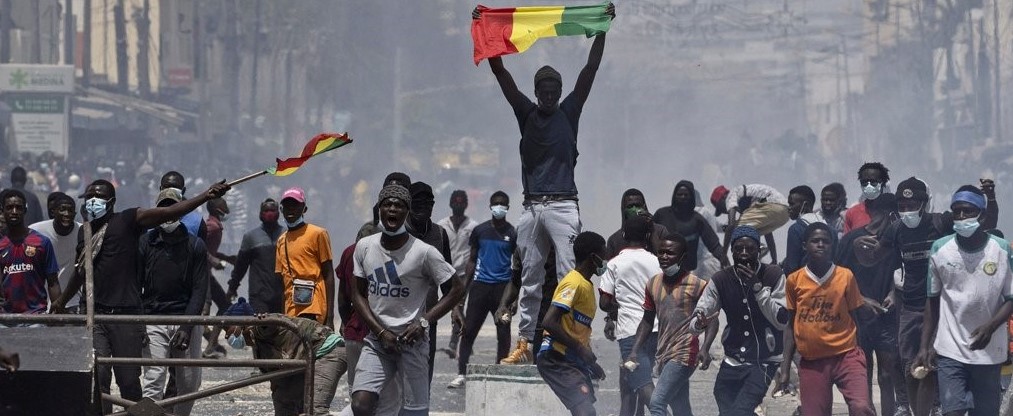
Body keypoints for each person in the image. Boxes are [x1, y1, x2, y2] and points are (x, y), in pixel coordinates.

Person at [479, 3, 615, 365]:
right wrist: (486, 30)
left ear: (560, 90)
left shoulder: (570, 112)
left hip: (563, 205)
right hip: (531, 207)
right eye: (545, 88)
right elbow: (501, 75)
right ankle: (524, 344)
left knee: (570, 275)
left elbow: (590, 69)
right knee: (530, 278)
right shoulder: (526, 113)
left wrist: (601, 29)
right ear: (537, 91)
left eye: (555, 87)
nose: (551, 93)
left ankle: (573, 338)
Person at [51, 178, 229, 415]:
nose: (93, 201)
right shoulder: (85, 232)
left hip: (126, 317)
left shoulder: (128, 220)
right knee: (99, 378)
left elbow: (170, 212)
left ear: (111, 202)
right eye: (89, 197)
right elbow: (80, 271)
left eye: (99, 197)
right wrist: (61, 301)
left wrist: (206, 196)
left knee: (129, 382)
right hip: (97, 316)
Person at [858, 177, 998, 416]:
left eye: (911, 206)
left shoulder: (940, 222)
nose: (906, 211)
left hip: (941, 307)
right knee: (911, 368)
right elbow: (872, 258)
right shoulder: (897, 230)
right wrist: (858, 249)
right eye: (901, 206)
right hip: (910, 308)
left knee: (932, 365)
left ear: (924, 204)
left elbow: (985, 224)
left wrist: (991, 199)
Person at [349, 184, 465, 416]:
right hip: (377, 341)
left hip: (412, 343)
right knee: (361, 404)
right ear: (379, 209)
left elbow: (456, 288)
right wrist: (381, 333)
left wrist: (424, 322)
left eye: (399, 205)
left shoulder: (423, 252)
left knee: (414, 412)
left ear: (407, 212)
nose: (393, 209)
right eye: (387, 204)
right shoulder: (364, 247)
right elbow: (357, 294)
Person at [912, 186, 1012, 416]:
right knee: (952, 412)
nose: (961, 217)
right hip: (950, 350)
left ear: (983, 215)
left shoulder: (1001, 250)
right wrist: (924, 346)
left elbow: (1010, 298)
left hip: (988, 351)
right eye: (956, 212)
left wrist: (990, 327)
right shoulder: (941, 250)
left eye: (967, 211)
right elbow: (932, 301)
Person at [774, 222, 875, 416]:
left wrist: (860, 354)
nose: (820, 245)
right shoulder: (794, 281)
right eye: (815, 241)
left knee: (861, 407)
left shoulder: (845, 276)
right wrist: (785, 367)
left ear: (832, 246)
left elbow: (856, 317)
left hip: (846, 354)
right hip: (813, 360)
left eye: (826, 242)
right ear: (805, 245)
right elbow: (791, 325)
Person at [690, 226, 789, 416]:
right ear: (732, 251)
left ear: (758, 252)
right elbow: (698, 317)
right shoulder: (720, 279)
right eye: (738, 249)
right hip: (733, 359)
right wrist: (699, 323)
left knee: (740, 411)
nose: (744, 254)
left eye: (750, 249)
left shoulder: (774, 274)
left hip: (764, 361)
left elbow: (781, 320)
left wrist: (758, 289)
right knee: (723, 399)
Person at [139, 188, 210, 416]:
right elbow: (135, 284)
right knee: (153, 380)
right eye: (163, 207)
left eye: (173, 206)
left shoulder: (195, 245)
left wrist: (187, 327)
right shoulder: (146, 243)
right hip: (154, 319)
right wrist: (139, 323)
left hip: (185, 318)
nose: (168, 213)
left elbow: (199, 289)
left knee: (189, 384)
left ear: (180, 210)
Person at [837, 193, 908, 416]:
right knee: (862, 374)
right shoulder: (850, 240)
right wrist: (860, 299)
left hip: (885, 315)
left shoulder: (896, 241)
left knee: (887, 375)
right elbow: (837, 276)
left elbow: (901, 273)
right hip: (857, 316)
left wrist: (893, 293)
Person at [224, 298, 348, 416]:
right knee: (283, 400)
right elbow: (277, 382)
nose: (226, 336)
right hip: (310, 360)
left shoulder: (260, 327)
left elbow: (269, 326)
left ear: (241, 325)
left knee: (315, 409)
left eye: (227, 330)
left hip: (328, 352)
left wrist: (263, 322)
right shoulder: (258, 347)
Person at [448, 191, 517, 388]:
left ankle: (500, 371)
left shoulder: (512, 234)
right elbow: (471, 261)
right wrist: (463, 293)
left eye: (503, 204)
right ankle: (462, 373)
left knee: (503, 333)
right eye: (496, 203)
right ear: (490, 206)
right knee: (468, 331)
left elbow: (517, 266)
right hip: (480, 287)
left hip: (502, 290)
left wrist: (514, 297)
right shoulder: (480, 231)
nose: (499, 207)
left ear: (508, 207)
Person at [537, 231, 608, 416]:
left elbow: (579, 331)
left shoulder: (587, 286)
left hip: (571, 359)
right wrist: (579, 348)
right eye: (604, 254)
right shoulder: (573, 283)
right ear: (594, 257)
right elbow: (549, 322)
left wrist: (592, 365)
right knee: (585, 410)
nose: (607, 259)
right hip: (555, 357)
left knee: (585, 409)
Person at [599, 216, 663, 416]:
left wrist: (619, 305)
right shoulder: (657, 261)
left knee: (642, 383)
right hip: (655, 329)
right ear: (648, 235)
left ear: (624, 235)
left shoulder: (615, 263)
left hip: (630, 333)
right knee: (629, 381)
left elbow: (604, 302)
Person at [406, 181, 456, 383]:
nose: (423, 209)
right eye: (418, 204)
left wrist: (456, 308)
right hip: (398, 316)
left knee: (424, 373)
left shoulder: (439, 234)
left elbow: (448, 281)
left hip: (427, 318)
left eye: (428, 205)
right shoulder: (397, 232)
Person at [276, 187, 334, 326]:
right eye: (287, 205)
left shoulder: (318, 233)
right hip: (291, 308)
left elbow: (328, 273)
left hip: (314, 306)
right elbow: (281, 280)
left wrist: (330, 316)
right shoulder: (282, 240)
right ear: (281, 210)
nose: (291, 209)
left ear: (304, 209)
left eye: (295, 205)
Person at [0, 189, 60, 320]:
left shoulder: (42, 242)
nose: (14, 212)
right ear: (3, 211)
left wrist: (58, 313)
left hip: (36, 317)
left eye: (18, 207)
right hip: (5, 319)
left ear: (25, 210)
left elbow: (53, 282)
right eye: (9, 207)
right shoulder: (1, 244)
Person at [436, 190, 478, 357]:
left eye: (461, 203)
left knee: (459, 305)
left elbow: (474, 254)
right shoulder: (442, 225)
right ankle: (466, 339)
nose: (458, 205)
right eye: (455, 202)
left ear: (466, 205)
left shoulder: (473, 227)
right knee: (444, 304)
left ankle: (454, 344)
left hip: (463, 274)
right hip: (445, 273)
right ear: (450, 204)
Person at [652, 181, 729, 271]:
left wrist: (725, 261)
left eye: (686, 195)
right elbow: (648, 234)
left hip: (689, 270)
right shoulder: (662, 215)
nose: (683, 197)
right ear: (674, 196)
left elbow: (714, 244)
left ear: (692, 197)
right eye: (680, 194)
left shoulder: (697, 218)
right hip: (664, 269)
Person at [227, 198, 285, 313]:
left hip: (282, 294)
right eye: (266, 211)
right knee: (261, 328)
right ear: (260, 214)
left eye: (272, 210)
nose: (269, 214)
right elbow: (240, 266)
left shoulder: (286, 235)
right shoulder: (251, 237)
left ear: (278, 213)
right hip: (259, 296)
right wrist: (232, 287)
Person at [712, 184, 790, 264]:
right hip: (785, 213)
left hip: (771, 204)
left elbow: (731, 225)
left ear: (723, 198)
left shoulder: (731, 195)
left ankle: (758, 248)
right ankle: (758, 249)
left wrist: (723, 255)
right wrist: (774, 259)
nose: (724, 212)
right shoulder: (751, 207)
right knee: (750, 231)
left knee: (734, 230)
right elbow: (768, 234)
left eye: (720, 208)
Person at [29, 192, 81, 313]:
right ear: (53, 212)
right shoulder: (36, 231)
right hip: (42, 303)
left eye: (70, 211)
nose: (67, 214)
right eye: (62, 210)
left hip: (73, 302)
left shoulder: (82, 231)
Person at [783, 183, 846, 274]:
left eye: (792, 204)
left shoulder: (796, 229)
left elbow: (791, 267)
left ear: (805, 204)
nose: (789, 208)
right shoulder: (830, 230)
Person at [201, 197, 236, 359]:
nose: (227, 207)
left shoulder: (216, 226)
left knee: (225, 306)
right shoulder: (211, 227)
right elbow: (198, 246)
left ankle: (211, 345)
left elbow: (210, 250)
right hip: (202, 275)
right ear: (217, 209)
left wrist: (227, 258)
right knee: (203, 314)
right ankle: (210, 344)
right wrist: (214, 261)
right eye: (224, 205)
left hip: (207, 274)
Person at [607, 188, 669, 257]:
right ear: (624, 209)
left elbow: (664, 257)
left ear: (644, 207)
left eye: (638, 205)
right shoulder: (615, 240)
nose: (634, 209)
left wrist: (652, 231)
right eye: (630, 206)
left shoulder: (660, 231)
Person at [844, 162, 891, 234]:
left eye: (873, 182)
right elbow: (846, 241)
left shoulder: (895, 210)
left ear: (882, 183)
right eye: (864, 182)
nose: (869, 186)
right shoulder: (852, 213)